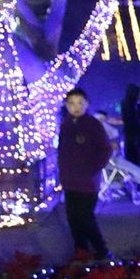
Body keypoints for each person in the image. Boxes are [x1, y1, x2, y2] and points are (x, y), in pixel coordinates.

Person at [57, 88, 112, 259]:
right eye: (72, 103)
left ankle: (102, 251)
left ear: (87, 104)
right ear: (66, 106)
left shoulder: (92, 124)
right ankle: (81, 251)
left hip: (87, 182)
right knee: (73, 219)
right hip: (69, 181)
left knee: (86, 218)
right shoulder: (65, 124)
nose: (76, 107)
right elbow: (62, 151)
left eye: (80, 103)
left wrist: (92, 170)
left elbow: (105, 149)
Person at [121, 83, 140, 167]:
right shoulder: (133, 104)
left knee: (130, 155)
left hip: (129, 133)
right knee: (135, 155)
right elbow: (133, 119)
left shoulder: (125, 102)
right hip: (133, 134)